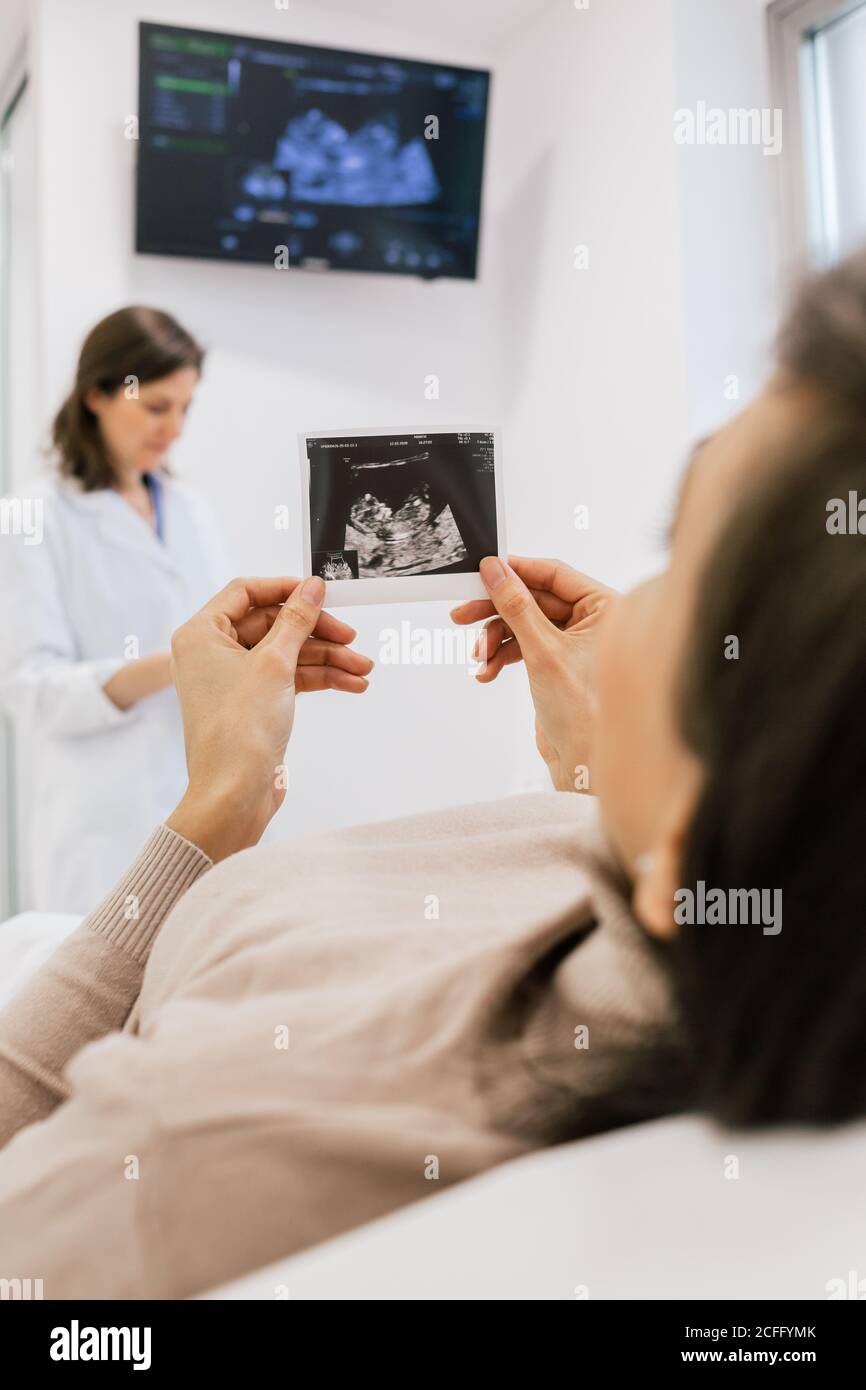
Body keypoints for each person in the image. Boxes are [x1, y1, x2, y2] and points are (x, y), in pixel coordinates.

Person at [1, 251, 866, 1298]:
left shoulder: (195, 1138)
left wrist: (207, 815)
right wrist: (596, 772)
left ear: (687, 842)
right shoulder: (708, 901)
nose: (625, 603)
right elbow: (34, 685)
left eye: (678, 557)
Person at [0, 308, 231, 912]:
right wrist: (179, 661)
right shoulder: (34, 517)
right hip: (98, 828)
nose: (174, 427)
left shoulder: (192, 513)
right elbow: (31, 691)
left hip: (199, 808)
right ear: (98, 394)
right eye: (157, 407)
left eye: (185, 408)